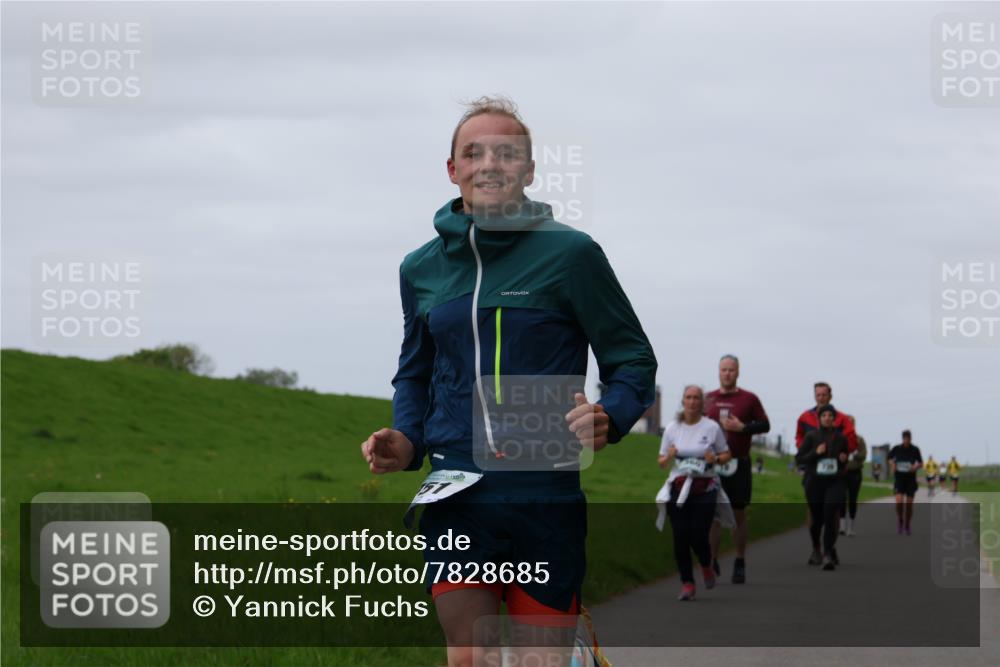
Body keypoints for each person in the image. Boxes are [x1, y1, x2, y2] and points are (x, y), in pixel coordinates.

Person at [360, 96, 657, 667]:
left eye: (507, 153)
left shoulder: (571, 254)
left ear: (528, 169)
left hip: (544, 495)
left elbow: (632, 360)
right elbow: (416, 371)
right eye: (474, 153)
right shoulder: (420, 268)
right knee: (471, 657)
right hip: (458, 492)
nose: (489, 164)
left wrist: (611, 415)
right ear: (453, 170)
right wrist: (406, 439)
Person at [658, 385, 732, 600]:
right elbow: (661, 462)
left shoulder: (711, 427)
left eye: (696, 398)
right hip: (679, 486)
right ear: (683, 401)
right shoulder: (673, 428)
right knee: (680, 536)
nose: (692, 402)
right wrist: (670, 455)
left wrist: (715, 459)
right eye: (688, 398)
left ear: (703, 402)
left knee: (699, 534)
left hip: (705, 486)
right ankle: (687, 583)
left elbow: (726, 454)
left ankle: (706, 564)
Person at [704, 354, 770, 584]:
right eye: (723, 370)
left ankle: (740, 561)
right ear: (718, 372)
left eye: (731, 370)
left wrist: (743, 428)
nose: (727, 373)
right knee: (712, 514)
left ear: (738, 372)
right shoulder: (709, 399)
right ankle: (712, 560)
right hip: (713, 464)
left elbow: (765, 425)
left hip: (738, 462)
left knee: (738, 514)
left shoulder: (749, 399)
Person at [795, 382, 857, 558]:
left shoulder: (842, 419)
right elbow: (799, 440)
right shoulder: (805, 417)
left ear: (830, 396)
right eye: (818, 395)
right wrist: (811, 451)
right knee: (815, 514)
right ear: (815, 396)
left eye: (824, 394)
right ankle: (816, 547)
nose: (821, 397)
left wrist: (843, 455)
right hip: (813, 473)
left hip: (835, 475)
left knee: (832, 512)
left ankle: (829, 547)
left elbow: (850, 441)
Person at [888, 430, 923, 535]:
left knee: (909, 504)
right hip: (899, 479)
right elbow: (889, 458)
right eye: (905, 438)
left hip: (910, 480)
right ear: (902, 439)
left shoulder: (915, 449)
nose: (906, 440)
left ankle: (907, 524)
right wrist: (892, 464)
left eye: (908, 438)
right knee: (899, 502)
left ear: (911, 439)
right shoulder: (897, 448)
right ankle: (900, 519)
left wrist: (915, 466)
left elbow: (921, 463)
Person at [840, 416, 867, 536]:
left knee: (852, 499)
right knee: (841, 498)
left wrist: (854, 455)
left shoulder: (859, 440)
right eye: (848, 423)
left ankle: (850, 527)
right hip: (842, 472)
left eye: (852, 423)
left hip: (855, 473)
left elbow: (863, 454)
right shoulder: (840, 438)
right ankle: (841, 526)